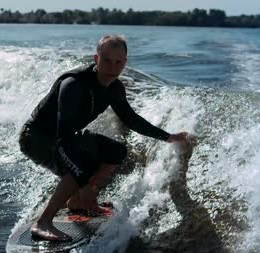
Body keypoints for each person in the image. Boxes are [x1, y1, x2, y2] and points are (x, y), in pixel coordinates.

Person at [19, 35, 190, 241]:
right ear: (96, 58)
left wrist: (168, 137)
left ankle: (77, 203)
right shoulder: (73, 85)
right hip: (37, 138)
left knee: (116, 151)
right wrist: (84, 186)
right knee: (79, 164)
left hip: (66, 138)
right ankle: (43, 222)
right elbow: (63, 138)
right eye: (107, 60)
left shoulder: (115, 88)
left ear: (124, 63)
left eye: (118, 62)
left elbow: (131, 119)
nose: (112, 67)